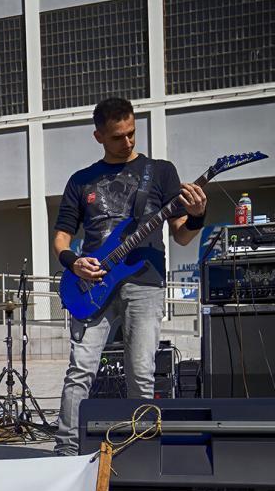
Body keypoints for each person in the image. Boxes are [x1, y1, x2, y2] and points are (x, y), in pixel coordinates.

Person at [53, 97, 207, 456]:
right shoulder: (81, 180)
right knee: (80, 369)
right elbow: (62, 234)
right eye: (118, 137)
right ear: (99, 137)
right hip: (91, 284)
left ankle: (143, 451)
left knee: (141, 372)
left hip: (145, 280)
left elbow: (182, 234)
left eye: (132, 133)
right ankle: (64, 450)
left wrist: (197, 214)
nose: (128, 142)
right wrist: (72, 261)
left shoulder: (160, 171)